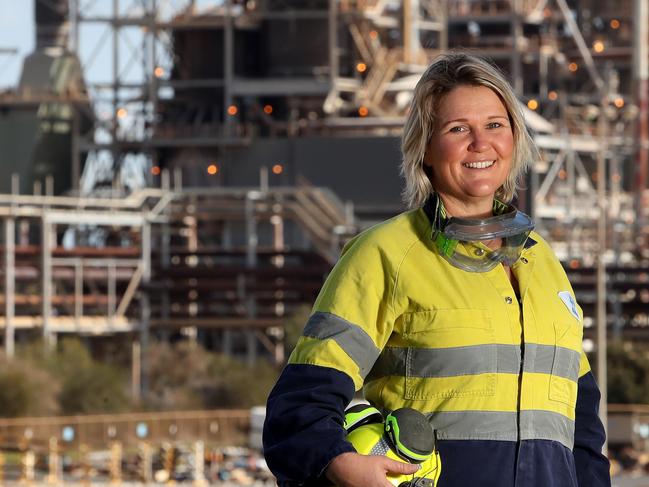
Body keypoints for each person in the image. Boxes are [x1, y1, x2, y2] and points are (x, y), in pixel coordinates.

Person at [263, 52, 610, 487]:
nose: (480, 144)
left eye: (495, 125)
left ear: (515, 138)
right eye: (458, 128)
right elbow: (300, 405)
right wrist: (339, 463)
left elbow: (582, 434)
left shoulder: (543, 263)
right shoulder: (386, 254)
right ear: (425, 148)